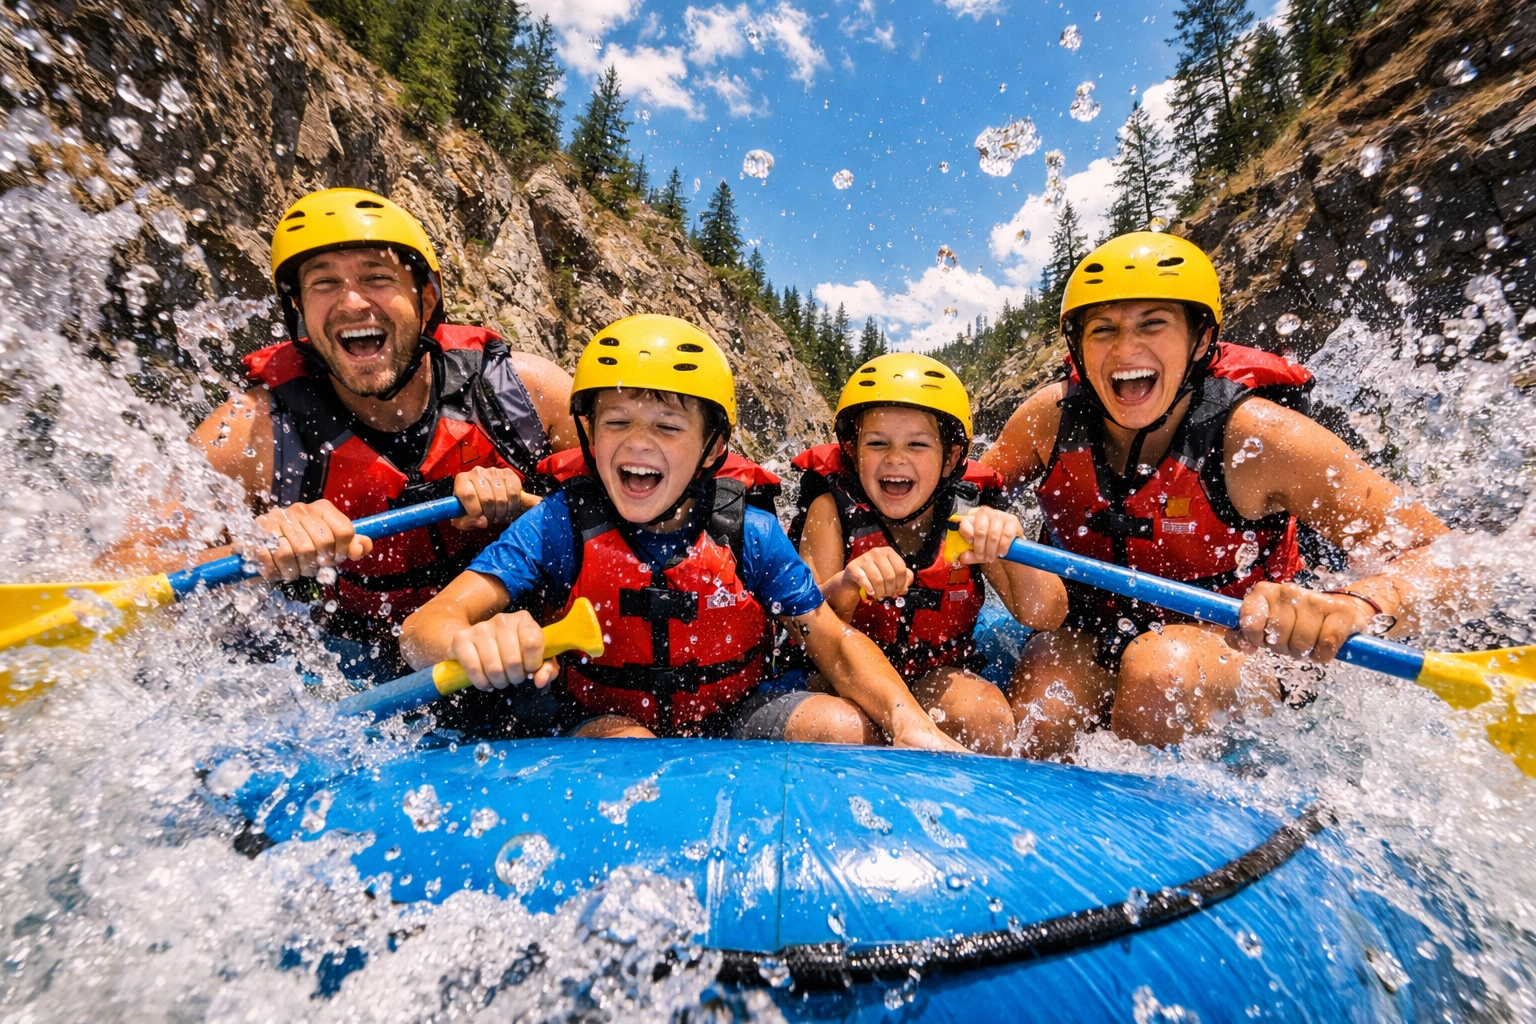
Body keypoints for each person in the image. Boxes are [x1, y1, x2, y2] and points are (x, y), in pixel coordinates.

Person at [980, 232, 1454, 760]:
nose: (1124, 349)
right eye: (1102, 330)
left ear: (1200, 341)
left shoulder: (1261, 439)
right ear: (1078, 349)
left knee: (1160, 672)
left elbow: (1443, 552)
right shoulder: (1048, 421)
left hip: (1236, 641)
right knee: (1046, 702)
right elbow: (966, 494)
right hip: (1093, 624)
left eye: (1152, 323)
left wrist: (1361, 603)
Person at [399, 314, 966, 749]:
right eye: (617, 422)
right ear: (589, 435)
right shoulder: (556, 524)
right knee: (632, 749)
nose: (639, 443)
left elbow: (835, 642)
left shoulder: (752, 533)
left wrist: (908, 721)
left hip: (733, 709)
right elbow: (423, 628)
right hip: (602, 718)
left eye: (668, 427)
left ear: (712, 448)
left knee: (843, 726)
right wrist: (466, 642)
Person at [114, 188, 577, 677]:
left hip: (511, 647)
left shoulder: (524, 394)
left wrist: (530, 504)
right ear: (299, 312)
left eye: (377, 278)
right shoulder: (252, 432)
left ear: (426, 298)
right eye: (323, 283)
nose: (352, 302)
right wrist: (251, 546)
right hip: (345, 666)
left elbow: (646, 503)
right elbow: (112, 573)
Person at [790, 354, 1067, 753]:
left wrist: (1009, 546)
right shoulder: (831, 509)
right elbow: (804, 631)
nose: (895, 458)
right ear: (852, 453)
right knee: (845, 728)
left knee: (983, 716)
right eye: (877, 443)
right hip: (843, 681)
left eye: (917, 444)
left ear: (951, 458)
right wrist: (849, 585)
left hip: (937, 671)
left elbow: (1047, 614)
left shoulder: (969, 516)